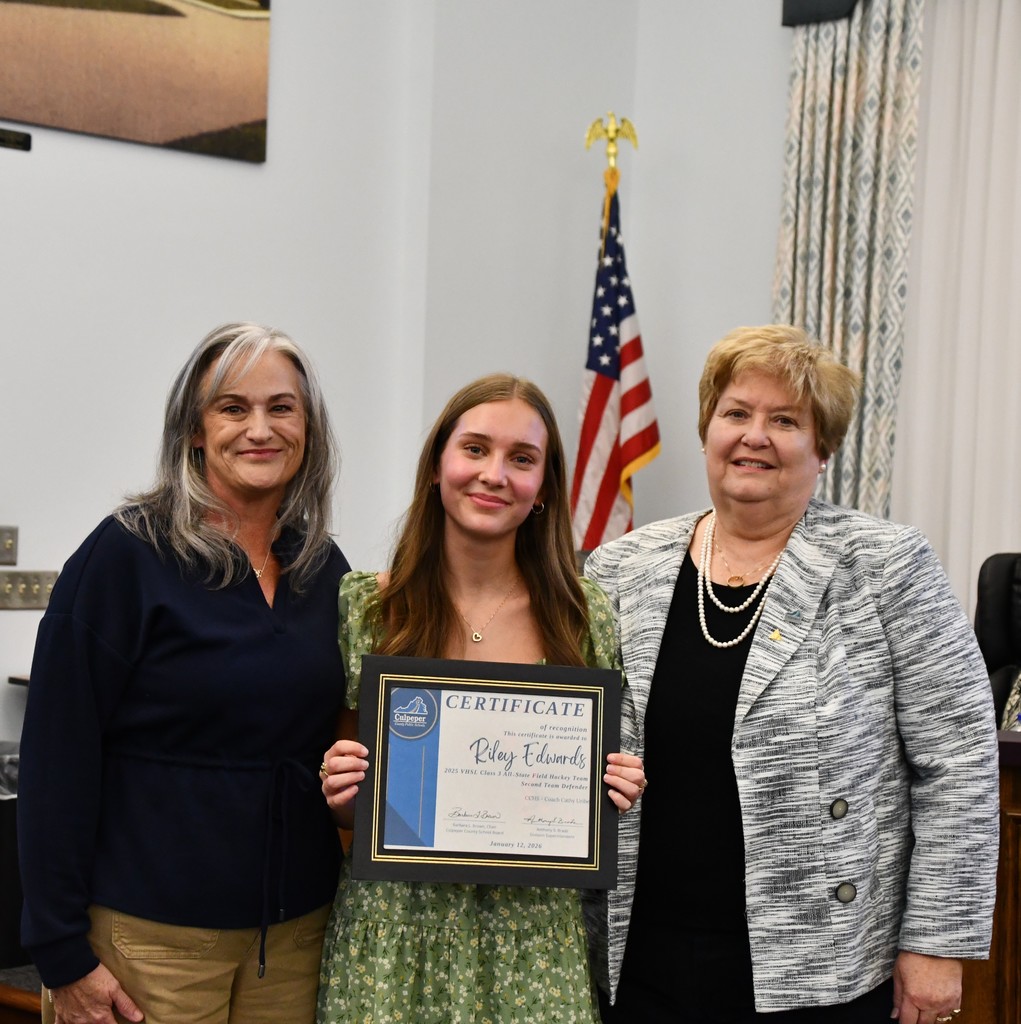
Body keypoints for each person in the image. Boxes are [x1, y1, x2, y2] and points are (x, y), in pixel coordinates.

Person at [582, 324, 1001, 1024]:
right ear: (706, 431)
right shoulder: (620, 566)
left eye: (784, 421)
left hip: (822, 960)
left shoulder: (886, 565)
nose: (755, 436)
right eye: (736, 413)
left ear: (822, 448)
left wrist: (935, 943)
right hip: (640, 952)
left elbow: (958, 762)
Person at [17, 322, 351, 1024]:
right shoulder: (125, 557)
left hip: (294, 940)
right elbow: (56, 759)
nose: (259, 428)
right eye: (233, 408)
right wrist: (60, 952)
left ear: (308, 429)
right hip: (148, 943)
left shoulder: (323, 568)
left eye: (281, 408)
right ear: (194, 431)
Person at [315, 373, 646, 1024]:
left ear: (543, 488)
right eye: (474, 449)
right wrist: (343, 790)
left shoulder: (584, 617)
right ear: (437, 466)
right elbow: (352, 813)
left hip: (535, 950)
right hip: (393, 943)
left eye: (521, 459)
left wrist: (614, 787)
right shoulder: (365, 606)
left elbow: (588, 801)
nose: (494, 474)